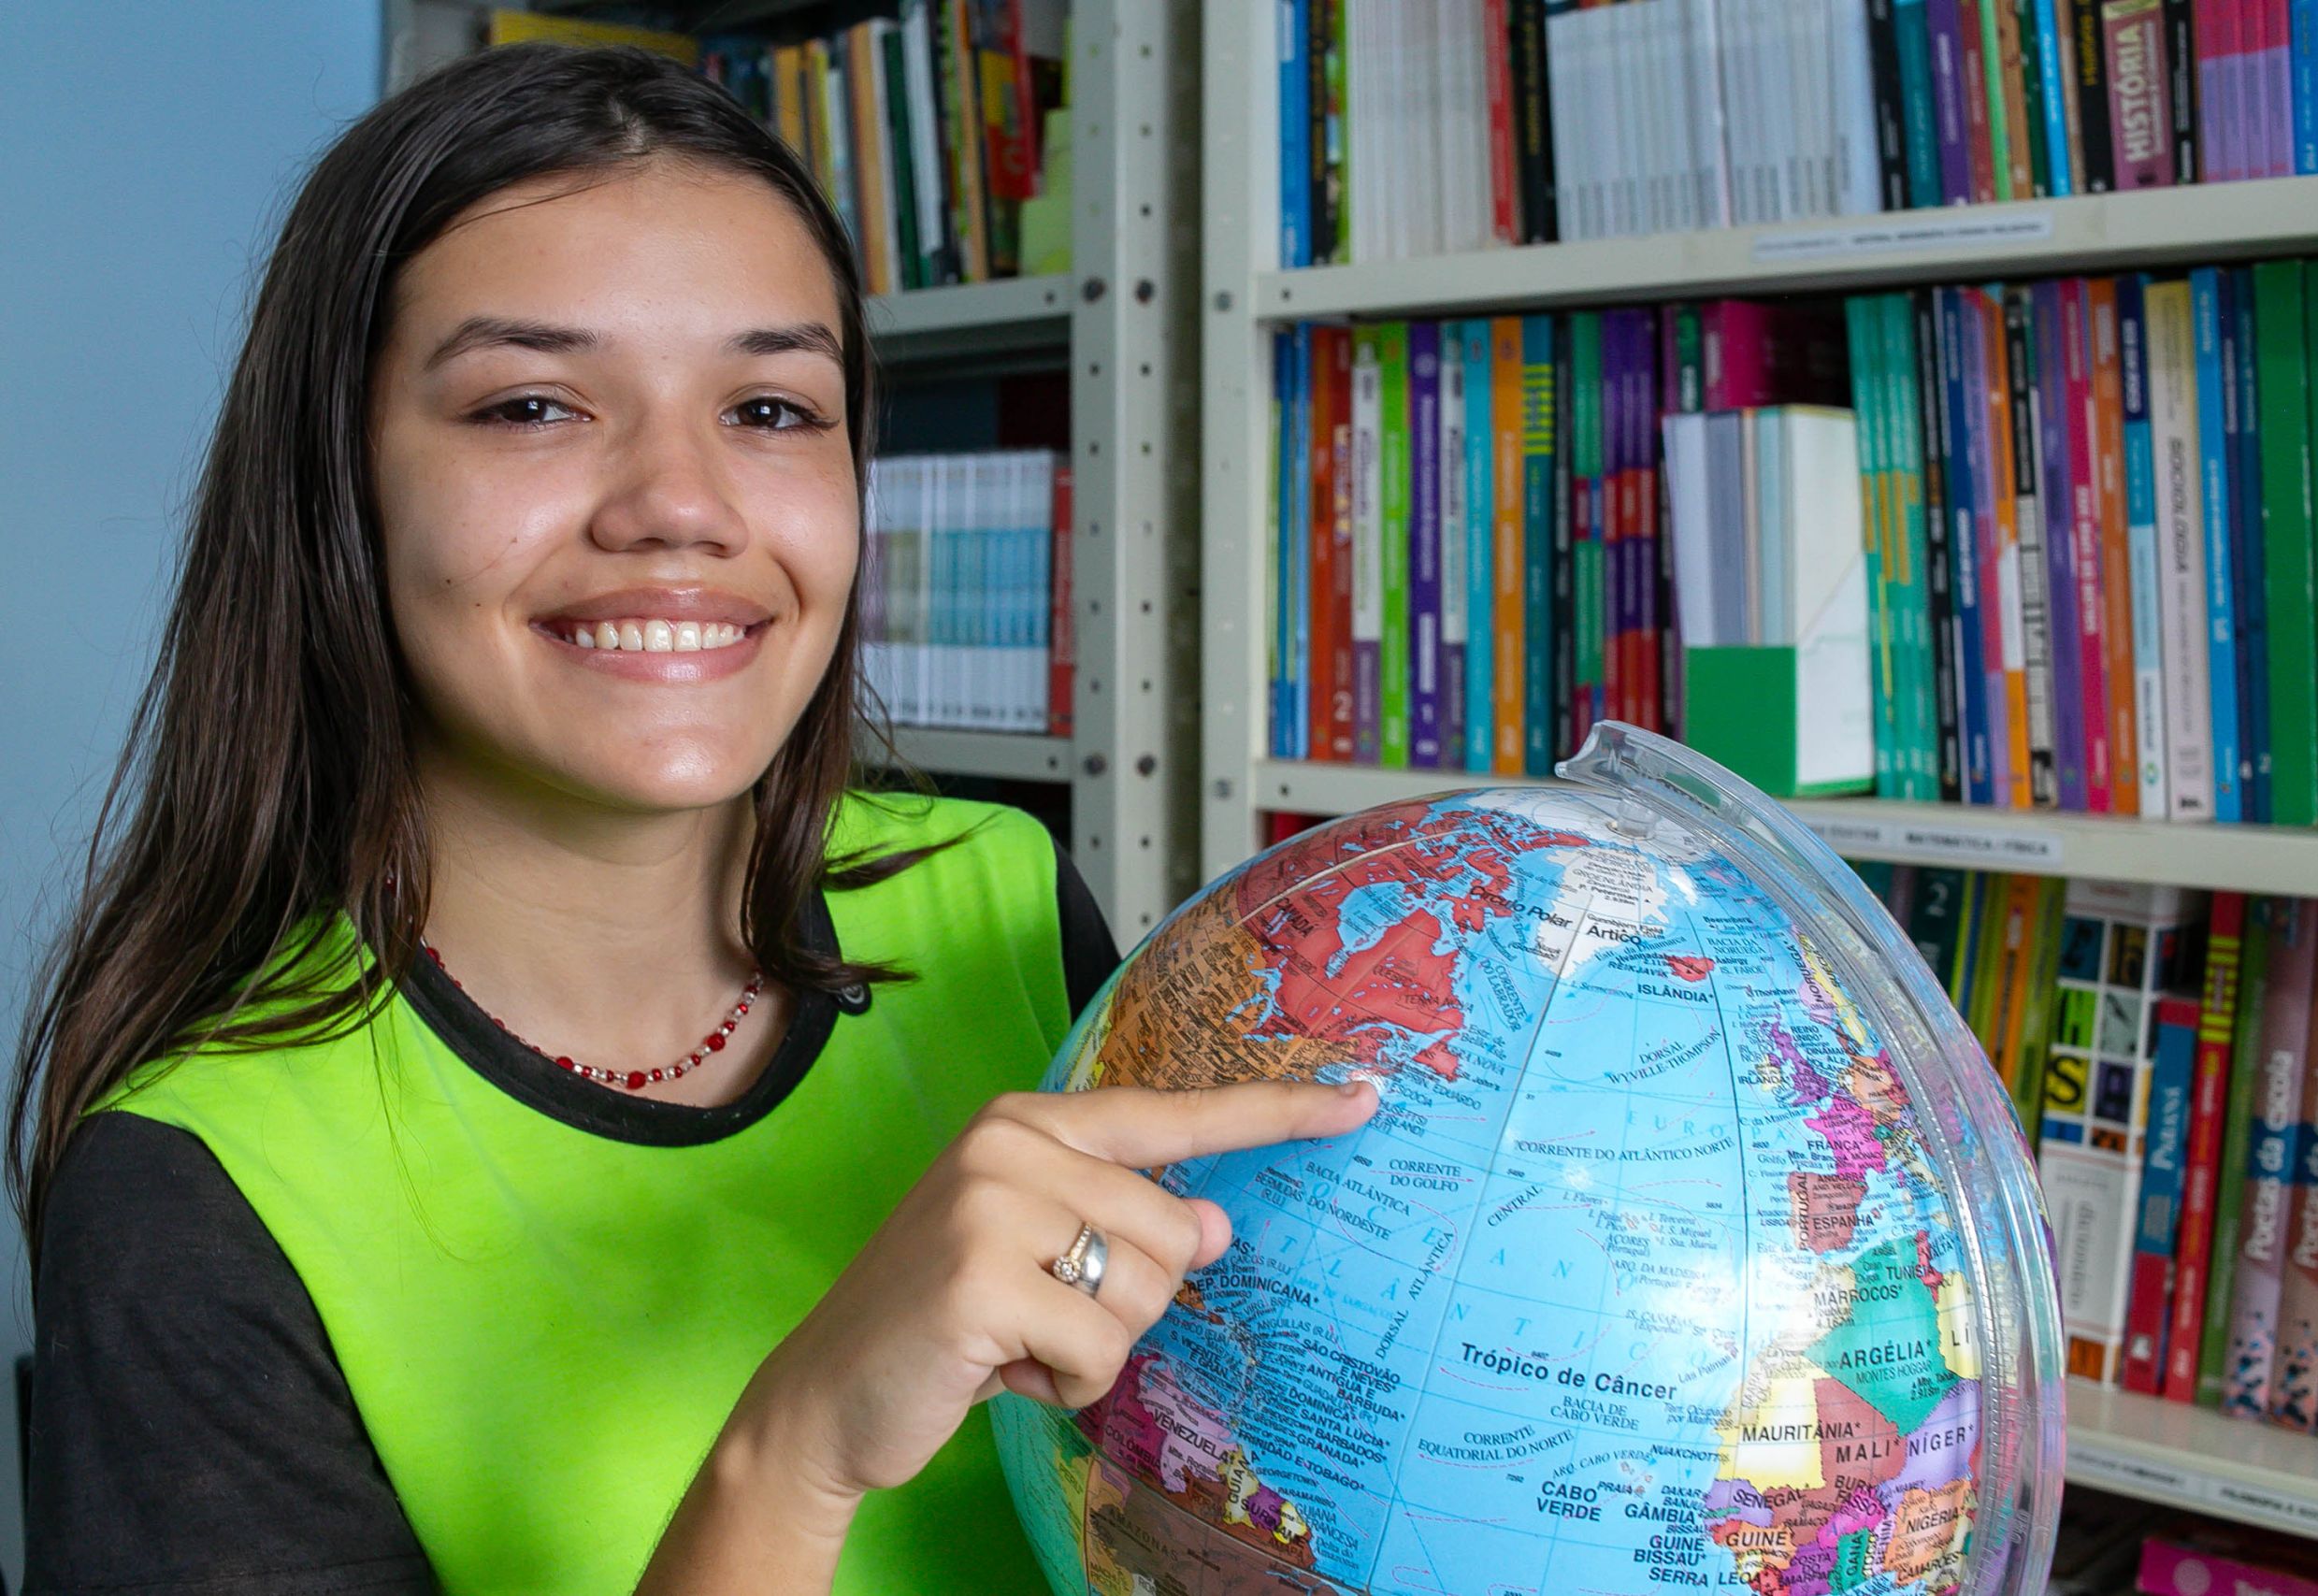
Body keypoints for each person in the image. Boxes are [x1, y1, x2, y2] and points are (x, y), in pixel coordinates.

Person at [12, 43, 1376, 1595]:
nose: (682, 503)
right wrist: (792, 1453)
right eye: (533, 403)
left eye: (772, 409)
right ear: (341, 487)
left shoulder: (1002, 901)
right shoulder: (197, 1182)